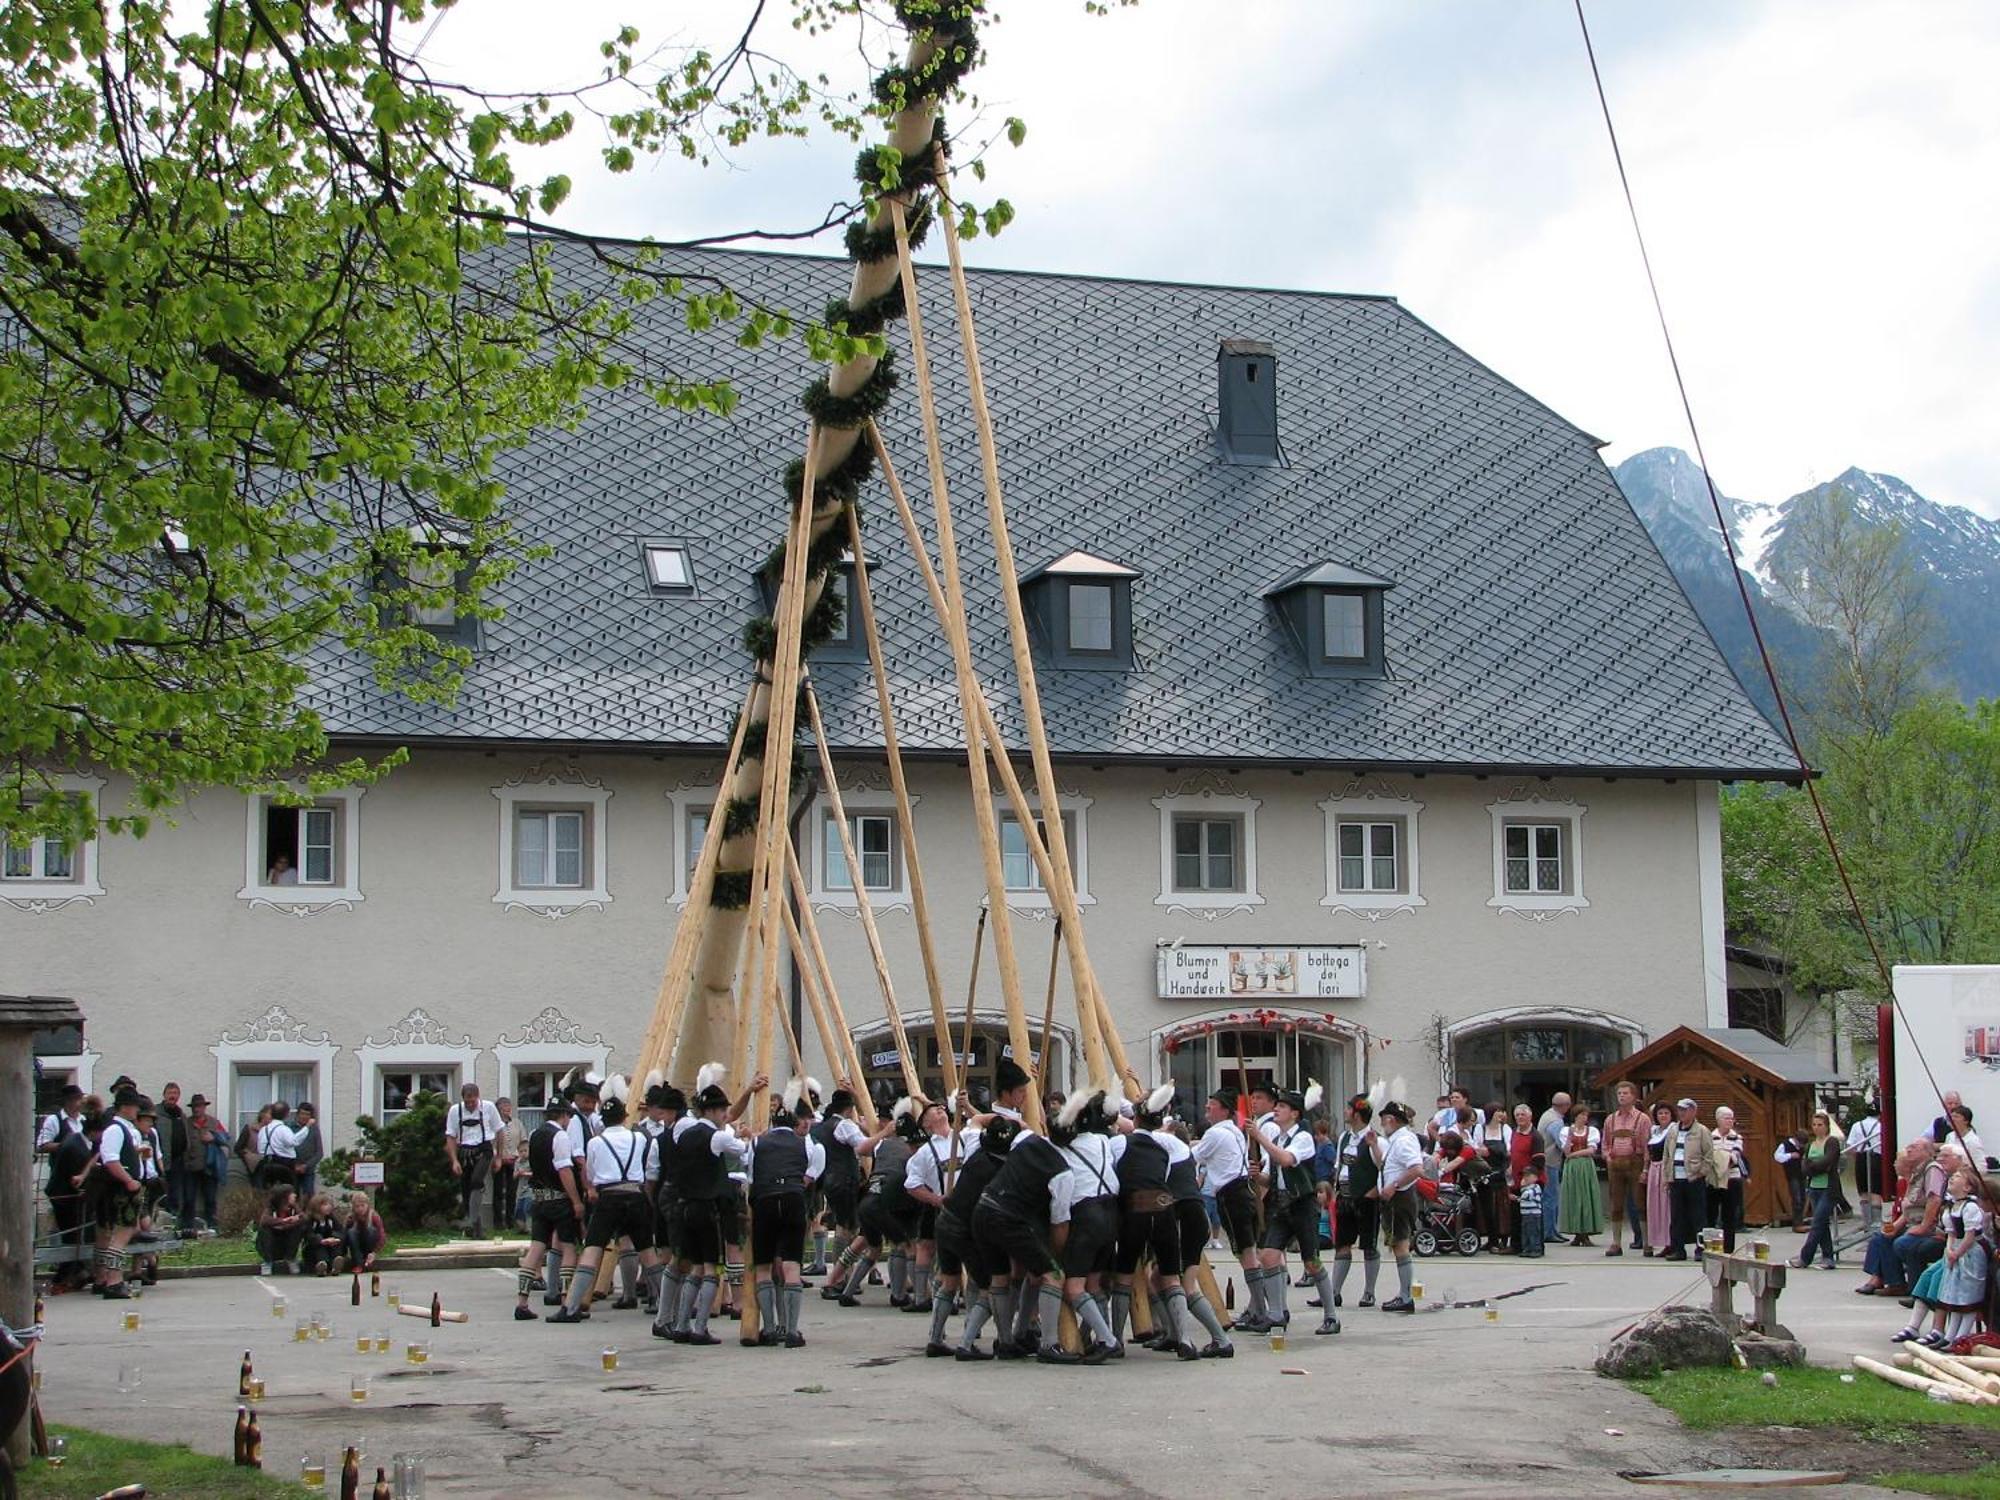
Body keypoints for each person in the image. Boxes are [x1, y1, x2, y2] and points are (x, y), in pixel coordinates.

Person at [549, 1090, 664, 1325]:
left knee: (592, 1249)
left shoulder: (595, 1142)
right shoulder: (639, 1138)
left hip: (608, 1196)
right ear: (624, 1117)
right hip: (635, 1194)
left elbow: (589, 1173)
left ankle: (571, 1307)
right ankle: (665, 1302)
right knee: (647, 1251)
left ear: (603, 1119)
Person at [1249, 1084, 1337, 1337]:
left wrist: (1260, 1138)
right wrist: (1258, 1176)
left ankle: (1331, 1316)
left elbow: (1287, 1160)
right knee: (1267, 1255)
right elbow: (1271, 1176)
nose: (1277, 1109)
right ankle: (1276, 1314)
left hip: (1302, 1205)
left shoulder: (1303, 1138)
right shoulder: (1278, 1139)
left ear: (1295, 1113)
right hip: (1280, 1205)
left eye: (1282, 1106)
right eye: (1277, 1106)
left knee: (1312, 1262)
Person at [1192, 1088, 1259, 1319]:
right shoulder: (1235, 1131)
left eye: (1212, 1105)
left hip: (1231, 1195)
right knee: (1247, 1250)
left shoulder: (1215, 1133)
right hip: (1242, 1191)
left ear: (1225, 1109)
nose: (1207, 1108)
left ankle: (1259, 1308)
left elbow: (1195, 1156)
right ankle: (1257, 1306)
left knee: (1245, 1252)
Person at [517, 1096, 584, 1321]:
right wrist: (576, 1200)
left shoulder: (535, 1134)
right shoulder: (560, 1136)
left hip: (539, 1199)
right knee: (568, 1249)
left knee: (536, 1248)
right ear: (564, 1115)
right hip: (558, 1199)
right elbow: (564, 1170)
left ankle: (522, 1302)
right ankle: (566, 1301)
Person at [1857, 1139, 1942, 1297]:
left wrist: (1924, 1226)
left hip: (1926, 1226)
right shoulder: (1915, 1175)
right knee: (1880, 1237)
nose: (1909, 1150)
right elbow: (1907, 1210)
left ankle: (1914, 1290)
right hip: (1909, 1222)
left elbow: (1934, 1200)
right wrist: (1894, 1226)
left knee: (1903, 1243)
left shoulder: (1932, 1170)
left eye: (1913, 1147)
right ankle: (1893, 1282)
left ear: (1926, 1152)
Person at [93, 1089, 149, 1297]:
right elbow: (110, 1160)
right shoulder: (116, 1129)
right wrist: (129, 1180)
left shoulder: (121, 1129)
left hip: (119, 1187)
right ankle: (113, 1281)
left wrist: (136, 1155)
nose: (137, 1110)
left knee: (108, 1234)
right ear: (125, 1106)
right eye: (135, 1106)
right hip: (121, 1189)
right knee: (122, 1232)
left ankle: (102, 1277)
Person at [1329, 1095, 1382, 1306]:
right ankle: (1334, 1292)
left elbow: (1383, 1167)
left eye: (1348, 1109)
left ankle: (1369, 1292)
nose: (1345, 1112)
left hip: (1366, 1198)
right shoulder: (1344, 1137)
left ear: (1357, 1114)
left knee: (1368, 1246)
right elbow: (1338, 1167)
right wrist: (1335, 1192)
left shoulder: (1374, 1138)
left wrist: (1373, 1192)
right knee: (1342, 1244)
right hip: (1345, 1197)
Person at [1374, 1101, 1425, 1313]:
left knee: (1401, 1245)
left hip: (1400, 1198)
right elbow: (1386, 1166)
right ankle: (1404, 1293)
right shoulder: (1396, 1140)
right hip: (1396, 1198)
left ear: (1391, 1120)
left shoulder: (1403, 1140)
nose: (1383, 1124)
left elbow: (1416, 1169)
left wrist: (1394, 1185)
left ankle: (1406, 1295)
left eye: (1384, 1119)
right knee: (1398, 1244)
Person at [1935, 1168, 1994, 1347]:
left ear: (1968, 1187)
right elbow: (1951, 1233)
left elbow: (1970, 1236)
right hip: (1956, 1252)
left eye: (1958, 1177)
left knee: (1968, 1293)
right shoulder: (1951, 1207)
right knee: (1954, 1293)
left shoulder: (1970, 1208)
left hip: (1971, 1252)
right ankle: (1950, 1335)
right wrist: (1949, 1250)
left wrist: (1957, 1252)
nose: (1952, 1178)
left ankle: (1961, 1336)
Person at [1659, 1097, 1721, 1262]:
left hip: (1694, 1179)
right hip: (1676, 1179)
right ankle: (1678, 1249)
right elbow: (1667, 1154)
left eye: (1685, 1110)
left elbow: (1709, 1155)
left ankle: (1701, 1249)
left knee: (1698, 1216)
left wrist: (1701, 1172)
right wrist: (1666, 1176)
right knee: (1677, 1216)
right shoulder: (1673, 1131)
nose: (1682, 1113)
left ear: (1693, 1111)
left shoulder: (1702, 1131)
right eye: (1679, 1110)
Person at [444, 1083, 504, 1239]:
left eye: (473, 1101)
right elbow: (450, 1136)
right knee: (466, 1190)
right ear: (463, 1098)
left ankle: (470, 1222)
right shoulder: (455, 1111)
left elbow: (500, 1131)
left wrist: (499, 1158)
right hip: (464, 1150)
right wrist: (454, 1160)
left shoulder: (489, 1107)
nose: (470, 1105)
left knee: (477, 1181)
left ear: (478, 1097)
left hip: (484, 1149)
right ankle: (477, 1230)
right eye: (467, 1101)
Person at [1791, 1110, 1843, 1270]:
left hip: (1829, 1188)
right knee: (1822, 1223)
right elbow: (1804, 1166)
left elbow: (1828, 1161)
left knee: (1818, 1221)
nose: (1817, 1128)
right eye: (1814, 1125)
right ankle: (1828, 1257)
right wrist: (1815, 1166)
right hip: (1814, 1188)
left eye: (1820, 1125)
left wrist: (1814, 1165)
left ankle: (1805, 1257)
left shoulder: (1832, 1142)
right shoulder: (1810, 1145)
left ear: (1827, 1126)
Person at [1601, 1081, 1648, 1256]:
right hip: (1616, 1165)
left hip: (1635, 1163)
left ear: (1634, 1096)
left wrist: (1645, 1169)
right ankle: (1616, 1243)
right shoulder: (1611, 1119)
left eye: (1625, 1093)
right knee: (1616, 1205)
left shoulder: (1642, 1119)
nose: (1621, 1096)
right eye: (1619, 1093)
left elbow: (1647, 1145)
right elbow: (1605, 1144)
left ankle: (1646, 1242)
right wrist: (1607, 1157)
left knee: (1640, 1203)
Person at [1557, 1106, 1604, 1247]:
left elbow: (1591, 1150)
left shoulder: (1592, 1131)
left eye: (1586, 1115)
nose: (1585, 1117)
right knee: (1574, 1196)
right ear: (1576, 1116)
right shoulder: (1566, 1131)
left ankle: (1586, 1233)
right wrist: (1570, 1137)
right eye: (1582, 1115)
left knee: (1587, 1196)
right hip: (1571, 1167)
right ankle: (1577, 1232)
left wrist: (1574, 1154)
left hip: (1585, 1165)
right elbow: (1565, 1151)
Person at [1710, 1106, 1750, 1254]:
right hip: (1714, 1179)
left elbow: (1735, 1157)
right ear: (1718, 1119)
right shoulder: (1710, 1136)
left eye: (1731, 1118)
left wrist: (1720, 1157)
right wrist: (1722, 1157)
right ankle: (1711, 1246)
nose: (1730, 1121)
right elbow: (1709, 1156)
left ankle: (1728, 1248)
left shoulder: (1737, 1137)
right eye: (1727, 1118)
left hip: (1732, 1178)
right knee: (1711, 1214)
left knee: (1729, 1215)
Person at [1536, 1091, 1572, 1245]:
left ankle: (1550, 1230)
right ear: (1565, 1106)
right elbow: (1561, 1143)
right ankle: (1549, 1231)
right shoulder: (1556, 1122)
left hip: (1544, 1161)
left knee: (1548, 1197)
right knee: (1551, 1197)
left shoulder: (1546, 1115)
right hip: (1550, 1162)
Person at [156, 1083, 191, 1221]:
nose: (173, 1095)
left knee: (175, 1193)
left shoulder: (180, 1114)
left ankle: (174, 1219)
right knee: (161, 1193)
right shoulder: (156, 1113)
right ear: (164, 1095)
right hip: (161, 1161)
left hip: (178, 1160)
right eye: (170, 1092)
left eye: (176, 1093)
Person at [1849, 1103, 1885, 1234]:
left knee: (1863, 1192)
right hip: (1876, 1158)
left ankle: (1866, 1223)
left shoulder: (1856, 1125)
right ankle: (1876, 1224)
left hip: (1860, 1157)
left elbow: (1851, 1147)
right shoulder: (1881, 1126)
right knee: (1876, 1192)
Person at [493, 1098, 527, 1232]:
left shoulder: (517, 1123)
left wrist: (521, 1155)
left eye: (508, 1107)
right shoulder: (494, 1124)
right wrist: (498, 1157)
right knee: (498, 1191)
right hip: (499, 1161)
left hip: (514, 1161)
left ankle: (510, 1221)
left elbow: (523, 1141)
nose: (507, 1110)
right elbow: (491, 1143)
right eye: (503, 1108)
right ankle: (498, 1222)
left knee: (512, 1192)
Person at [256, 1186, 306, 1275]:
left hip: (287, 1244)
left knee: (299, 1227)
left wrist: (286, 1225)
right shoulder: (271, 1209)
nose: (295, 1195)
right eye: (292, 1194)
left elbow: (303, 1218)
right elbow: (264, 1220)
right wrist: (283, 1221)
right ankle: (267, 1261)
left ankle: (291, 1258)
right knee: (265, 1229)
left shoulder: (294, 1208)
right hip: (272, 1245)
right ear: (284, 1197)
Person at [255, 1102, 299, 1190]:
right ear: (286, 1114)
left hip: (266, 1162)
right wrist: (307, 1128)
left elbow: (260, 1149)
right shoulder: (284, 1129)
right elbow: (294, 1142)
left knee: (268, 1192)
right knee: (288, 1192)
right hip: (284, 1163)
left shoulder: (263, 1129)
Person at [37, 1083, 86, 1157]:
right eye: (77, 1098)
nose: (82, 1102)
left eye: (81, 1098)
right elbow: (42, 1146)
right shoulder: (54, 1120)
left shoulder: (85, 1119)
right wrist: (66, 1145)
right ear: (68, 1101)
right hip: (62, 1167)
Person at [342, 1192, 387, 1273]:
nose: (360, 1208)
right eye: (357, 1206)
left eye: (362, 1205)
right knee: (351, 1232)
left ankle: (368, 1259)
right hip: (356, 1245)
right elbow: (344, 1236)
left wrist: (374, 1252)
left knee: (371, 1230)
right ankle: (358, 1264)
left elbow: (382, 1235)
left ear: (367, 1205)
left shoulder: (373, 1215)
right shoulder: (351, 1217)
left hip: (370, 1243)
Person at [301, 1193, 345, 1275]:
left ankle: (335, 1265)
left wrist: (336, 1239)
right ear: (316, 1206)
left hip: (329, 1247)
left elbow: (341, 1231)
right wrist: (321, 1240)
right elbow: (308, 1235)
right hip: (313, 1249)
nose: (329, 1207)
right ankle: (321, 1266)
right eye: (325, 1204)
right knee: (319, 1242)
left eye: (329, 1204)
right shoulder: (310, 1220)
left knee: (335, 1244)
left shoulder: (331, 1219)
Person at [290, 1102, 324, 1198]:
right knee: (292, 1196)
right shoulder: (289, 1128)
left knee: (309, 1195)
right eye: (302, 1113)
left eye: (307, 1114)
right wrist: (294, 1165)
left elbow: (319, 1152)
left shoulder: (314, 1129)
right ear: (297, 1114)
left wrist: (306, 1166)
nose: (304, 1117)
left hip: (308, 1171)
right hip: (292, 1169)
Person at [1517, 1166, 1545, 1257]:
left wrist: (1522, 1190)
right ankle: (1527, 1249)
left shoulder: (1535, 1188)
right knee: (1525, 1233)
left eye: (1528, 1176)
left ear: (1535, 1177)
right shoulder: (1525, 1188)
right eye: (1524, 1176)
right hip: (1525, 1214)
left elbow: (1527, 1195)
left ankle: (1536, 1249)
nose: (1526, 1178)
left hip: (1533, 1214)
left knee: (1533, 1232)